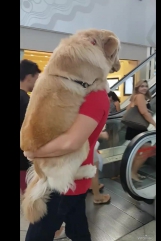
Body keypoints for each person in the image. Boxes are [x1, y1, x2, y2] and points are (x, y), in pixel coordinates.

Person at [24, 89, 110, 241]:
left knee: (37, 236)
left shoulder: (93, 95)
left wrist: (34, 153)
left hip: (63, 181)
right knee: (78, 231)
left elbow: (71, 143)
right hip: (70, 178)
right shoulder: (85, 92)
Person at [125, 80, 156, 182]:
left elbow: (128, 110)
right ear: (137, 88)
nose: (144, 88)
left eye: (146, 86)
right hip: (137, 128)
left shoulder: (135, 97)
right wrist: (154, 124)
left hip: (134, 128)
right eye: (141, 86)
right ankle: (133, 173)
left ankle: (133, 172)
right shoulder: (140, 96)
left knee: (139, 152)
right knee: (147, 151)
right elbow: (144, 112)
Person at [20, 59, 41, 194]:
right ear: (29, 77)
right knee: (27, 195)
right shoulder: (25, 100)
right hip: (22, 158)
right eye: (36, 78)